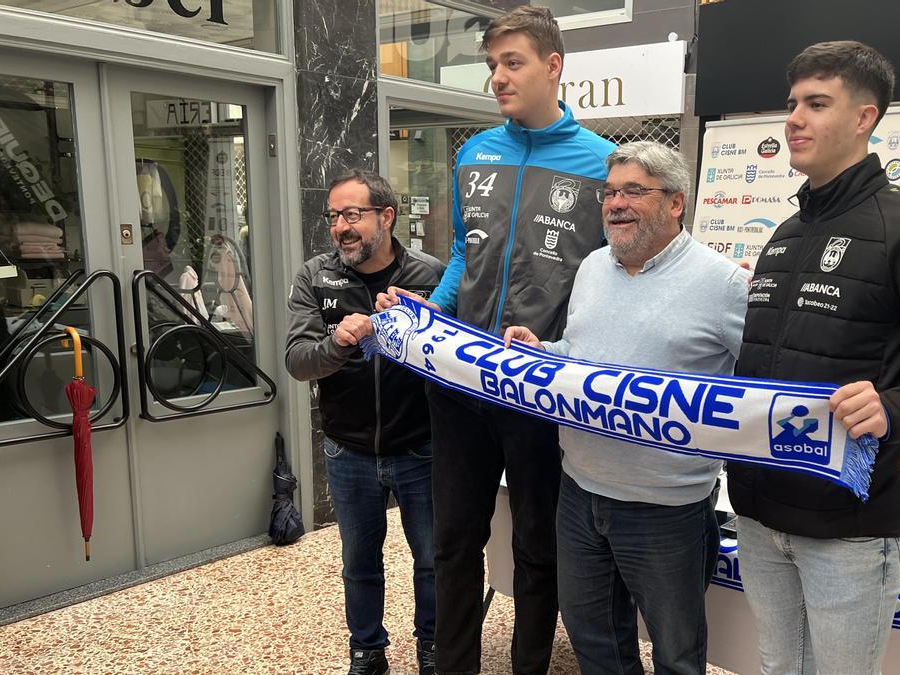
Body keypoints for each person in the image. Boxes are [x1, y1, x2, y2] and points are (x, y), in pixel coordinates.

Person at [729, 41, 900, 674]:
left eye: (817, 103)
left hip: (848, 525)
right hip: (760, 511)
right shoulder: (785, 235)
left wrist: (894, 409)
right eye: (792, 103)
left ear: (864, 118)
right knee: (776, 668)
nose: (793, 118)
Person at [378, 7, 614, 674]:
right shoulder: (474, 152)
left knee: (539, 545)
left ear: (553, 66)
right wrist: (434, 306)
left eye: (513, 63)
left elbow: (608, 278)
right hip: (459, 378)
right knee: (455, 541)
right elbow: (463, 254)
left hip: (539, 386)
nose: (499, 78)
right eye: (493, 66)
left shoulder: (602, 163)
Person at [503, 142, 748, 675]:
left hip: (667, 507)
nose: (616, 203)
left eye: (634, 191)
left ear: (676, 204)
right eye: (610, 192)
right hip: (579, 492)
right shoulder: (591, 267)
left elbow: (761, 386)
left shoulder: (724, 283)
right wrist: (542, 352)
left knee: (677, 654)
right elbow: (581, 356)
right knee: (596, 642)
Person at [285, 169, 444, 675]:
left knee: (433, 560)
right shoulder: (316, 276)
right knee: (359, 563)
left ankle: (434, 648)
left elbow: (460, 353)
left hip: (421, 446)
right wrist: (339, 341)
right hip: (347, 449)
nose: (341, 227)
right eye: (334, 217)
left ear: (387, 217)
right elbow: (297, 360)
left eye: (353, 215)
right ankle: (368, 651)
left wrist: (429, 322)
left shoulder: (429, 274)